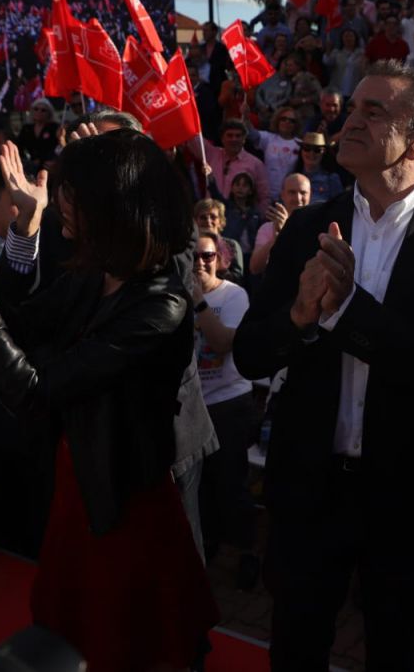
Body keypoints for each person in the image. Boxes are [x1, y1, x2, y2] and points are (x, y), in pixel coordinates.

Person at [0, 129, 218, 671]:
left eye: (73, 200)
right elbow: (17, 324)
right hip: (79, 478)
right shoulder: (96, 276)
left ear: (115, 207)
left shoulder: (160, 307)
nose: (62, 211)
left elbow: (35, 391)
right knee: (74, 629)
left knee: (130, 640)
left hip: (124, 502)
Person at [233, 61, 414, 672]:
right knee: (296, 643)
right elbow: (250, 352)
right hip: (307, 485)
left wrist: (346, 313)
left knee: (395, 647)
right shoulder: (310, 226)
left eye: (376, 112)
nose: (351, 122)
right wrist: (298, 315)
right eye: (353, 108)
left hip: (404, 491)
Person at [189, 231, 259, 588]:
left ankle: (246, 551)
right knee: (201, 485)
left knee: (232, 484)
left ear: (221, 258)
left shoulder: (235, 295)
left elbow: (222, 343)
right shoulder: (180, 295)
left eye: (208, 256)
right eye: (195, 257)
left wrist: (199, 302)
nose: (201, 263)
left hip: (229, 402)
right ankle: (212, 541)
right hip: (194, 403)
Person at [248, 172, 311, 276]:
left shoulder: (318, 225)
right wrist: (277, 237)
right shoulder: (267, 229)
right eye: (292, 192)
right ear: (283, 195)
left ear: (310, 195)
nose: (298, 198)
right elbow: (255, 268)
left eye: (303, 193)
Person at [293, 132, 343, 204]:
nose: (311, 153)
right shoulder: (292, 177)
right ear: (301, 151)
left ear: (324, 153)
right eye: (307, 148)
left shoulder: (332, 179)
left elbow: (339, 207)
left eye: (317, 150)